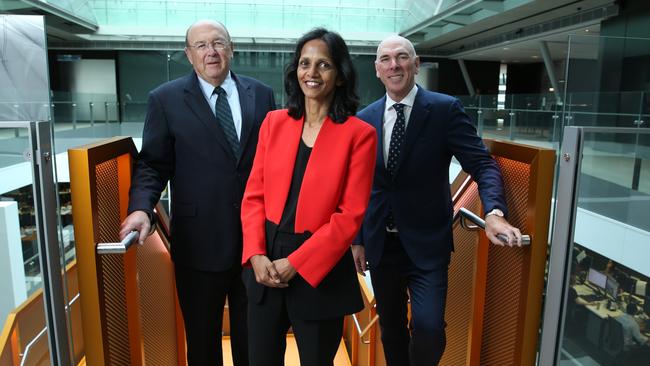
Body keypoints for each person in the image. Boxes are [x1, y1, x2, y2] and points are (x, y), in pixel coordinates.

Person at [352, 35, 523, 366]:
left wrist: (495, 213)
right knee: (391, 329)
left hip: (427, 245)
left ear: (416, 65)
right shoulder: (364, 119)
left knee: (429, 328)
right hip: (381, 246)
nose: (394, 65)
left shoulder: (444, 109)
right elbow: (360, 187)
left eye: (402, 57)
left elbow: (483, 165)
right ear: (376, 69)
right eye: (385, 59)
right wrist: (357, 239)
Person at [119, 20, 275, 366]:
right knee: (203, 343)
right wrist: (141, 208)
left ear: (231, 48)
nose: (211, 52)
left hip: (256, 241)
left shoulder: (261, 94)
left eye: (218, 43)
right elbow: (153, 164)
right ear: (188, 54)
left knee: (256, 342)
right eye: (201, 45)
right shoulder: (165, 99)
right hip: (199, 242)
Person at [240, 28, 377, 366]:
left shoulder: (360, 135)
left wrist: (297, 263)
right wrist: (256, 254)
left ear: (340, 75)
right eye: (305, 63)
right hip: (266, 262)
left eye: (323, 65)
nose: (311, 73)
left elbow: (350, 216)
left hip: (321, 267)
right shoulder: (274, 122)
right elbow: (253, 196)